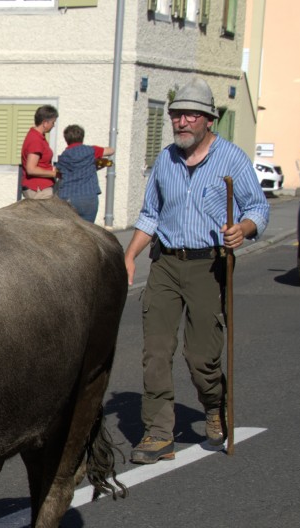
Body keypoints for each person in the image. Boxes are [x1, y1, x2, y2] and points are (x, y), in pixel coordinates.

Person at [123, 77, 269, 464]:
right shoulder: (165, 161)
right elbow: (150, 214)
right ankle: (158, 434)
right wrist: (130, 254)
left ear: (209, 120)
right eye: (176, 114)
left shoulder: (232, 159)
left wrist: (243, 229)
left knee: (202, 358)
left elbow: (258, 208)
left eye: (191, 115)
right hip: (167, 263)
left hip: (210, 265)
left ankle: (214, 405)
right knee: (156, 352)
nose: (181, 121)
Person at [55, 124, 114, 223]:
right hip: (88, 196)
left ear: (66, 139)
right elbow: (111, 151)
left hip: (67, 197)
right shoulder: (91, 150)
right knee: (87, 228)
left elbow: (59, 174)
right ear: (82, 137)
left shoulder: (63, 156)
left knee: (69, 228)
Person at [21, 105, 59, 199]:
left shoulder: (38, 137)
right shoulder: (36, 140)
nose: (53, 125)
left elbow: (41, 163)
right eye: (53, 122)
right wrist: (54, 173)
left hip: (41, 188)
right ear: (45, 123)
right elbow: (31, 169)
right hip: (39, 189)